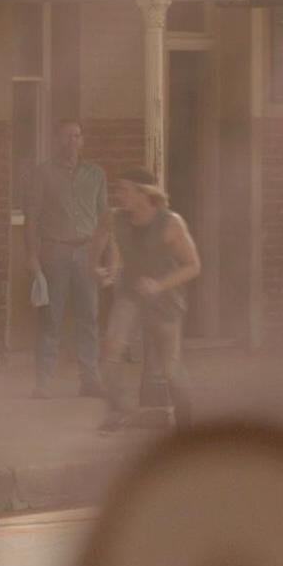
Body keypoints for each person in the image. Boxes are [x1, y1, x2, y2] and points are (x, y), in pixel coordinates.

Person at [96, 169, 201, 433]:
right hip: (130, 295)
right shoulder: (115, 218)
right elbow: (100, 242)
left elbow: (193, 266)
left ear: (144, 194)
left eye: (125, 190)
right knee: (111, 350)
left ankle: (185, 421)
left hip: (165, 302)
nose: (119, 195)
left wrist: (159, 285)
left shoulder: (171, 223)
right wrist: (101, 268)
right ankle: (119, 411)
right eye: (118, 189)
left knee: (170, 367)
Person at [24, 120, 110, 398]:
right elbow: (32, 218)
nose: (71, 141)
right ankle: (43, 382)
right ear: (56, 140)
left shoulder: (96, 174)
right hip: (55, 252)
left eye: (76, 136)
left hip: (87, 252)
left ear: (82, 140)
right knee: (51, 318)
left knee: (89, 317)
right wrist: (32, 255)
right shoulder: (43, 174)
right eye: (65, 136)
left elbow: (104, 219)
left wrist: (104, 257)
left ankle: (90, 380)